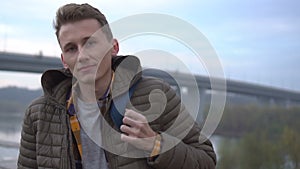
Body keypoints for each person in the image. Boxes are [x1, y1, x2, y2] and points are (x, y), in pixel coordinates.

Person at [17, 3, 216, 169]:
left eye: (90, 43)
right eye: (71, 48)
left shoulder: (156, 94)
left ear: (114, 47)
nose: (82, 55)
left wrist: (156, 145)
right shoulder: (38, 114)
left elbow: (206, 160)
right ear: (64, 60)